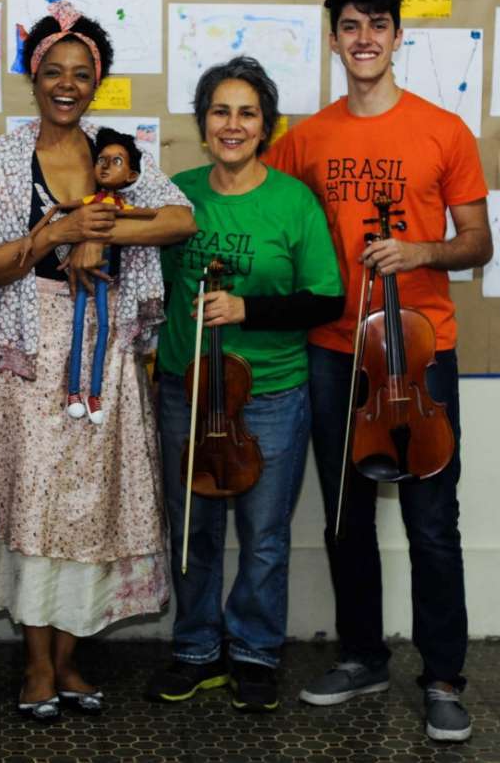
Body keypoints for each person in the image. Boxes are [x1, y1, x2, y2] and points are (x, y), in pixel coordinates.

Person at [265, 0, 493, 742]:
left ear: (399, 37)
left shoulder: (444, 130)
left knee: (433, 520)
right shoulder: (306, 139)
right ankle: (363, 656)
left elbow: (477, 240)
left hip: (419, 350)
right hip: (335, 351)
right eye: (350, 26)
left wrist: (423, 247)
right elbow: (275, 223)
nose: (364, 38)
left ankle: (443, 676)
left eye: (378, 25)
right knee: (343, 512)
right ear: (333, 39)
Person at [0, 1, 197, 721]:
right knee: (35, 505)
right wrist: (59, 231)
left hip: (102, 354)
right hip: (33, 356)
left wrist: (108, 228)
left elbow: (182, 218)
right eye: (54, 72)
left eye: (82, 73)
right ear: (34, 78)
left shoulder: (114, 150)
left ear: (98, 82)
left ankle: (69, 662)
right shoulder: (5, 158)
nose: (68, 84)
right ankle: (35, 665)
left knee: (89, 507)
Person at [144, 56, 343, 713]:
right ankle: (196, 648)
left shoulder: (293, 201)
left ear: (266, 126)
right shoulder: (177, 193)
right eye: (220, 112)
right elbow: (153, 285)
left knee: (263, 535)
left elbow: (325, 299)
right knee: (193, 526)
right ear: (204, 125)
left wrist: (248, 309)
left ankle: (255, 652)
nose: (233, 125)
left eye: (247, 113)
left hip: (272, 395)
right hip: (187, 390)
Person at [17, 127, 158, 424]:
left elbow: (148, 216)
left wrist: (136, 217)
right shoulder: (91, 199)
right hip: (80, 275)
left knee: (104, 326)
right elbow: (57, 207)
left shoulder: (118, 204)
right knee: (79, 327)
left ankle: (94, 395)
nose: (106, 166)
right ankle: (73, 393)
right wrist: (33, 236)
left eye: (116, 161)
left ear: (132, 176)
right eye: (102, 160)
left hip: (105, 277)